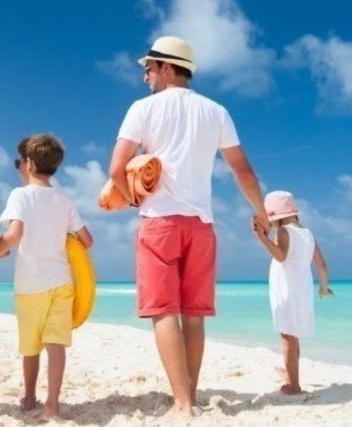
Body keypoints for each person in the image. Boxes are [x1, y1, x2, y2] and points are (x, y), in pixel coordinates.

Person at [107, 36, 270, 417]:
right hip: (202, 225)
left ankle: (181, 403)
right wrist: (261, 211)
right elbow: (242, 169)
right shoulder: (216, 111)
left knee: (163, 312)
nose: (145, 75)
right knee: (194, 314)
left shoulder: (142, 109)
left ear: (167, 68)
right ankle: (189, 396)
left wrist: (132, 198)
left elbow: (117, 169)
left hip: (159, 222)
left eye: (149, 68)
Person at [0, 134, 93, 421]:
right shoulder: (64, 200)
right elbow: (87, 240)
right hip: (62, 283)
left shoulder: (20, 195)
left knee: (31, 347)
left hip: (31, 285)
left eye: (18, 162)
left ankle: (28, 398)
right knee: (56, 344)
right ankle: (52, 405)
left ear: (29, 164)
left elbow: (14, 235)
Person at [252, 190, 334, 395]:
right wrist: (323, 288)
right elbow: (321, 265)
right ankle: (291, 373)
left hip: (287, 287)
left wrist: (262, 238)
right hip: (302, 287)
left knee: (287, 335)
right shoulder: (307, 234)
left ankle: (294, 385)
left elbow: (280, 256)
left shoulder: (283, 232)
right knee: (293, 334)